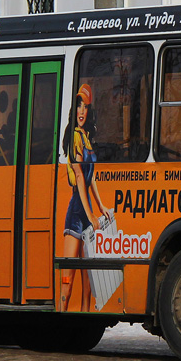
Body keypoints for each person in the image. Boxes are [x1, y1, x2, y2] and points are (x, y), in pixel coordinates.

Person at [59, 83, 113, 311]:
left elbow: (91, 178)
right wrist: (90, 214)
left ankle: (83, 318)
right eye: (78, 106)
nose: (82, 111)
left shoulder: (87, 138)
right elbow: (80, 176)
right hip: (77, 212)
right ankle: (62, 317)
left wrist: (101, 207)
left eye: (85, 107)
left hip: (88, 209)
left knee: (88, 281)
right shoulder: (74, 138)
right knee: (68, 278)